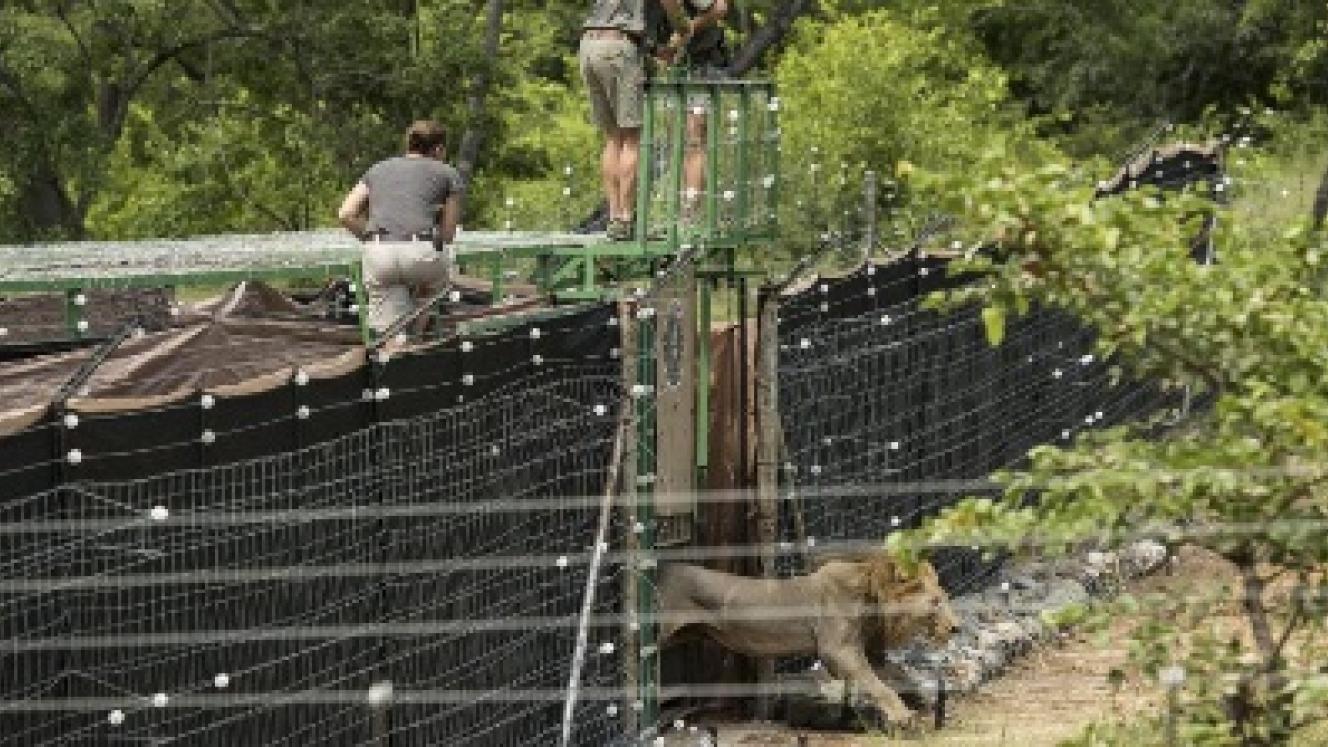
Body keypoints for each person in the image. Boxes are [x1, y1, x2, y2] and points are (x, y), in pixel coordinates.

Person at [337, 120, 463, 334]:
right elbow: (448, 234)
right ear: (438, 149)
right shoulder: (448, 173)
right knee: (434, 284)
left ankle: (393, 347)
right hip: (421, 254)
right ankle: (418, 334)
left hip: (380, 253)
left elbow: (345, 214)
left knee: (388, 319)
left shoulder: (377, 169)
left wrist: (370, 237)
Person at [579, 0, 691, 241]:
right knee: (631, 138)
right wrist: (683, 28)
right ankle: (626, 219)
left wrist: (650, 47)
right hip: (618, 47)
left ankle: (613, 216)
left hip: (588, 46)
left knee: (612, 138)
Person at [653, 0, 730, 226]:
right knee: (674, 143)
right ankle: (675, 212)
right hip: (674, 69)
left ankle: (689, 213)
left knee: (693, 140)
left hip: (699, 67)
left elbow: (720, 8)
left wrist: (688, 29)